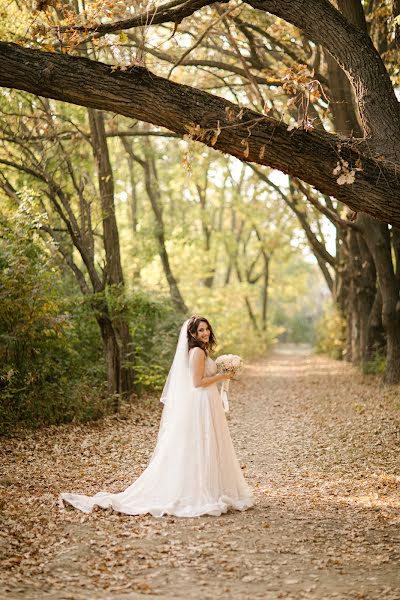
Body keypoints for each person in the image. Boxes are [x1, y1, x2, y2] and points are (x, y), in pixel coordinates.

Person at [59, 316, 255, 518]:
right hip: (201, 402)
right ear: (192, 334)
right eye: (200, 330)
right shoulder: (196, 351)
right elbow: (197, 382)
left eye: (206, 329)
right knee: (201, 443)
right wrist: (223, 376)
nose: (205, 333)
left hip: (208, 401)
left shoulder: (202, 350)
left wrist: (223, 369)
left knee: (209, 443)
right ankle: (200, 490)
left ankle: (212, 486)